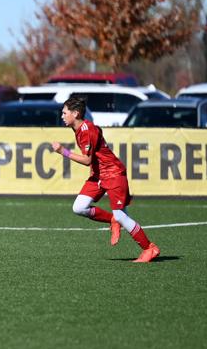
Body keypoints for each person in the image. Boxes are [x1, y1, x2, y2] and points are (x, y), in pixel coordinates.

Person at [52, 95, 160, 262]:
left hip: (113, 174)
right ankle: (112, 220)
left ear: (75, 113)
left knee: (121, 216)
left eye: (65, 113)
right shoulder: (79, 129)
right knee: (79, 207)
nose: (62, 116)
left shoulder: (87, 130)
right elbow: (96, 146)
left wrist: (63, 151)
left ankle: (149, 248)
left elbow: (87, 160)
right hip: (98, 175)